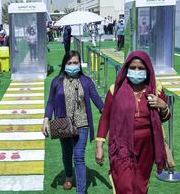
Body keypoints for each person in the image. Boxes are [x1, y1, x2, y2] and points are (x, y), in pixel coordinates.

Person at [95, 51, 171, 194]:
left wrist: (163, 105)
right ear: (126, 68)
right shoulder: (115, 90)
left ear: (148, 70)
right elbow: (105, 118)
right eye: (133, 67)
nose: (136, 71)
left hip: (147, 147)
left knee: (140, 186)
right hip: (121, 146)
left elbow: (165, 118)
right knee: (125, 186)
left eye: (141, 68)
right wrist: (99, 145)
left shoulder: (156, 89)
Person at [42, 51, 104, 194]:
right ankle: (69, 176)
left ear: (80, 64)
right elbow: (50, 101)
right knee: (66, 153)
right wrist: (46, 119)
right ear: (64, 64)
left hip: (82, 124)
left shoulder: (86, 81)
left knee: (79, 156)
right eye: (69, 63)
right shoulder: (57, 81)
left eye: (75, 63)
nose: (72, 66)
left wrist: (108, 112)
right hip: (63, 124)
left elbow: (97, 101)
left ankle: (81, 192)